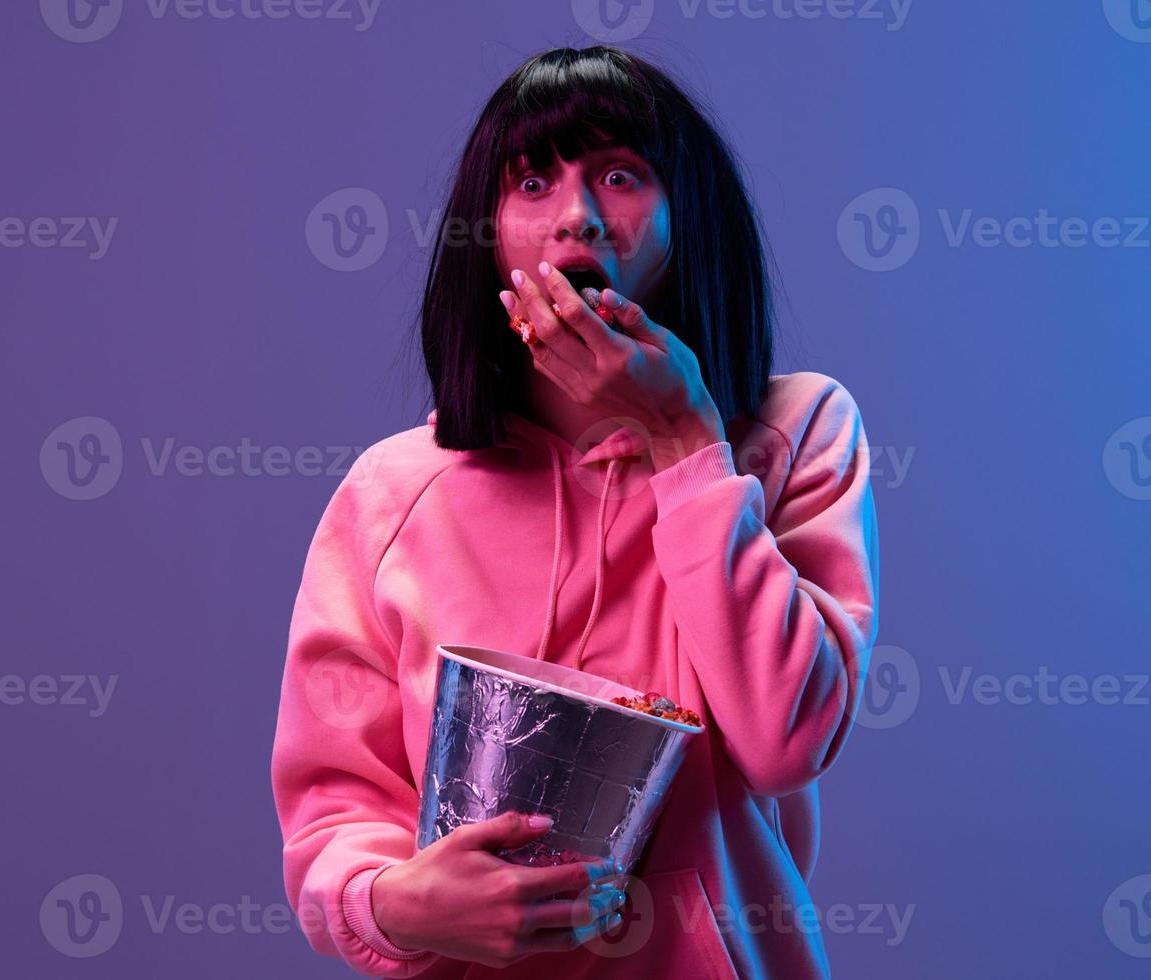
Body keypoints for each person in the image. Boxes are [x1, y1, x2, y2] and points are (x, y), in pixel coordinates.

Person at [271, 44, 881, 979]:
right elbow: (335, 822)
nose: (579, 216)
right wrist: (397, 903)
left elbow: (787, 739)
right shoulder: (391, 493)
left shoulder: (797, 432)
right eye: (531, 181)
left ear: (690, 219)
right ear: (488, 234)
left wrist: (684, 441)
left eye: (622, 176)